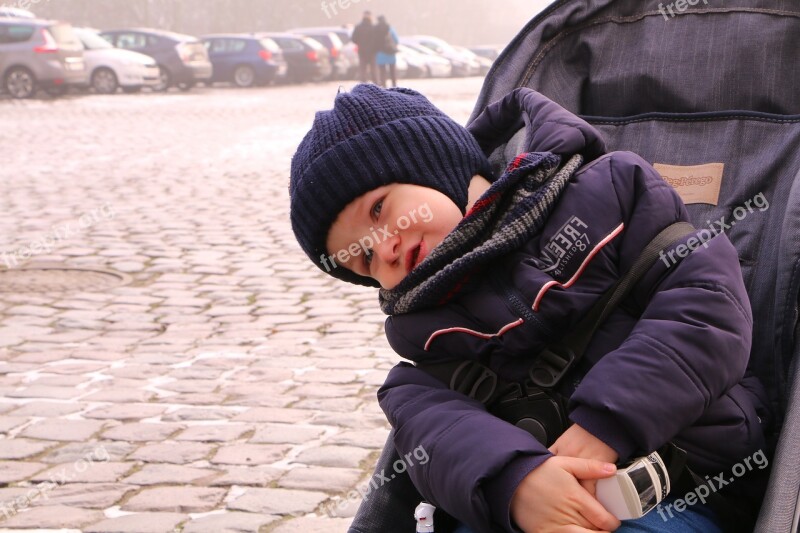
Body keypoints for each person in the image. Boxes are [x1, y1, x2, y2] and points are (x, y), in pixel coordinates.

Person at [289, 85, 770, 532]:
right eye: (363, 257)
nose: (384, 248)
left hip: (682, 486)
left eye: (379, 211)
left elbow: (706, 305)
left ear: (432, 163)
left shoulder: (614, 191)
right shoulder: (425, 341)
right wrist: (515, 481)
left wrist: (606, 422)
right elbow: (434, 435)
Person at [351, 11, 379, 83]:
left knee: (363, 71)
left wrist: (360, 43)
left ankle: (363, 87)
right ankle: (376, 87)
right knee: (374, 70)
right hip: (372, 52)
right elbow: (377, 40)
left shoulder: (358, 27)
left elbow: (354, 39)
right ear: (371, 17)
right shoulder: (374, 27)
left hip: (362, 51)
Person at [375, 15, 399, 88]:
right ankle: (394, 86)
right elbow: (396, 40)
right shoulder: (390, 28)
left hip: (380, 53)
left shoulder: (376, 29)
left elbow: (373, 41)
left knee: (382, 72)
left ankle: (384, 86)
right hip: (390, 52)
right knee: (392, 71)